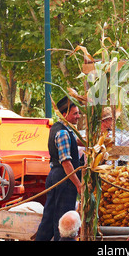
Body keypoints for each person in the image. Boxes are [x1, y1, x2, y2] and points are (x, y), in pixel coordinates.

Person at [36, 96, 84, 241]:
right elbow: (66, 163)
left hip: (56, 176)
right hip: (64, 178)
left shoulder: (61, 128)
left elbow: (75, 141)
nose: (78, 116)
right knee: (62, 219)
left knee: (50, 217)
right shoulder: (63, 133)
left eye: (78, 113)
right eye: (75, 113)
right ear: (64, 115)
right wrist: (78, 184)